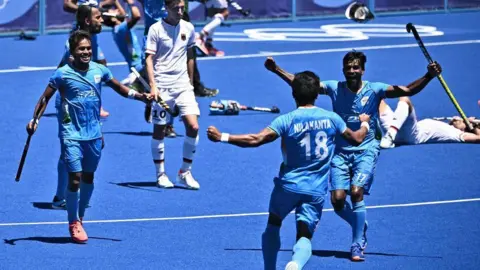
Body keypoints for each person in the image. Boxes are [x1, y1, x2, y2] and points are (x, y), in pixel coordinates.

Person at [264, 52, 442, 261]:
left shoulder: (375, 90)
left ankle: (357, 243)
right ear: (343, 69)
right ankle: (359, 223)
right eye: (348, 67)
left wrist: (428, 76)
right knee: (338, 201)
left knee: (356, 193)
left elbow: (408, 89)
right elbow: (302, 84)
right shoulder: (334, 88)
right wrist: (276, 70)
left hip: (366, 150)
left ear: (363, 69)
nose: (351, 71)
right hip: (340, 152)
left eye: (356, 67)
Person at [207, 71, 371, 270]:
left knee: (273, 223)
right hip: (315, 191)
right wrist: (364, 123)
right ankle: (295, 264)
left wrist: (222, 136)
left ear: (293, 94)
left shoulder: (287, 120)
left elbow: (256, 139)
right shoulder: (332, 119)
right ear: (316, 95)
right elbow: (356, 138)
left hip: (288, 186)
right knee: (304, 235)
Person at [26, 30, 151, 243]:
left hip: (93, 134)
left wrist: (141, 97)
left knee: (89, 177)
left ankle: (80, 216)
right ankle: (73, 221)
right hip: (71, 134)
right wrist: (35, 120)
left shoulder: (99, 71)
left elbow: (120, 88)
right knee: (74, 177)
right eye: (81, 49)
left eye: (88, 48)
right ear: (72, 52)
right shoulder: (62, 74)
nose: (86, 52)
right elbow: (44, 98)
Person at [51, 4, 106, 210]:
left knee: (72, 151)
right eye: (98, 17)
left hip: (83, 105)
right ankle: (60, 196)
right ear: (87, 21)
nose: (102, 20)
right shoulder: (74, 44)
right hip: (69, 104)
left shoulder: (88, 40)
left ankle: (62, 194)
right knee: (68, 151)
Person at [145, 0, 201, 189]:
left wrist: (191, 84)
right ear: (166, 8)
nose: (180, 11)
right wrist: (153, 86)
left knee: (193, 127)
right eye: (176, 8)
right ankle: (160, 174)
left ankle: (184, 172)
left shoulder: (189, 27)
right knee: (160, 130)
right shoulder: (155, 29)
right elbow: (149, 59)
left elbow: (190, 56)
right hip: (162, 86)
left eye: (182, 7)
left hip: (183, 85)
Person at [63, 0, 111, 117]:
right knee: (72, 69)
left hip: (92, 35)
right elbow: (67, 5)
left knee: (101, 66)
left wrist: (101, 9)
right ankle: (68, 101)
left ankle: (96, 104)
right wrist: (85, 11)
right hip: (80, 33)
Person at [379, 97, 480, 147]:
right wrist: (470, 123)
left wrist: (471, 124)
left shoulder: (457, 134)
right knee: (376, 98)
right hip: (397, 129)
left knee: (405, 99)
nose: (461, 118)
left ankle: (389, 136)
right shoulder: (449, 127)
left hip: (411, 135)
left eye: (464, 121)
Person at [101, 0, 143, 86]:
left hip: (137, 66)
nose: (117, 9)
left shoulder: (118, 29)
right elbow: (137, 16)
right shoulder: (121, 29)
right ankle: (134, 79)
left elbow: (122, 15)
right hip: (139, 67)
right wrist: (131, 3)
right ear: (112, 17)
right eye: (113, 10)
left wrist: (115, 1)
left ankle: (133, 79)